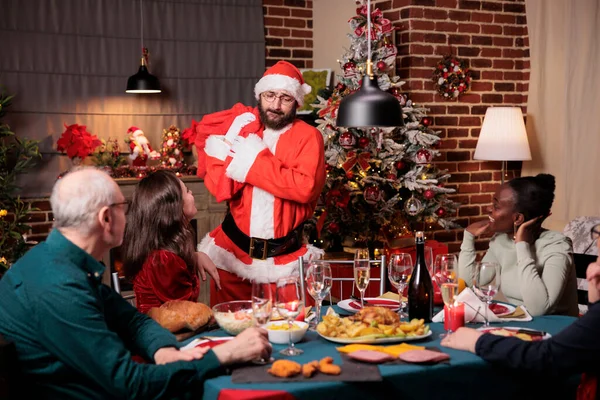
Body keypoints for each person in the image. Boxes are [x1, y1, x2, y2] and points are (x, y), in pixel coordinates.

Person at [0, 168, 271, 399]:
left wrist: (162, 349)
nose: (130, 217)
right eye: (123, 207)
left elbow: (133, 321)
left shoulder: (58, 260)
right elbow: (130, 385)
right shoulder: (60, 288)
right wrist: (225, 355)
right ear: (106, 219)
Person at [194, 60, 326, 304]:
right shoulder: (244, 130)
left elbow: (303, 188)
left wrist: (252, 161)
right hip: (231, 257)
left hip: (284, 263)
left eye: (285, 98)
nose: (275, 105)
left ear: (296, 102)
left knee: (290, 332)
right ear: (260, 95)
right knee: (230, 333)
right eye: (270, 95)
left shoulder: (309, 137)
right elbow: (219, 185)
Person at [442, 225, 600, 397]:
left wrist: (478, 341)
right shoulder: (501, 240)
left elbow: (543, 357)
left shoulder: (556, 244)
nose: (591, 268)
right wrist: (595, 301)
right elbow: (471, 282)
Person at [458, 173, 578, 316]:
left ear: (518, 219)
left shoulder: (556, 246)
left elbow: (539, 309)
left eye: (496, 206)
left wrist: (522, 246)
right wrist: (468, 236)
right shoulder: (501, 240)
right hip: (516, 324)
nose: (488, 209)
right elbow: (469, 285)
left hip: (556, 330)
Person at [122, 169, 210, 313]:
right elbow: (185, 312)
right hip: (165, 332)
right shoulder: (163, 259)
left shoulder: (164, 252)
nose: (192, 194)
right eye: (187, 191)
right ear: (174, 205)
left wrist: (194, 256)